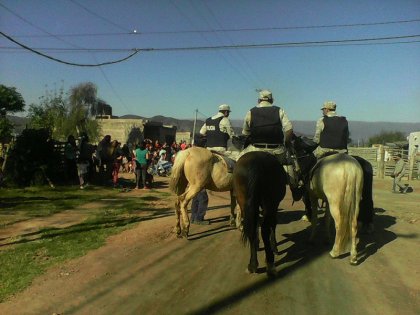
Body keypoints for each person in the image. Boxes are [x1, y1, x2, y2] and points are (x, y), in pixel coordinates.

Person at [238, 90, 297, 186]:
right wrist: (287, 143)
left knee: (238, 162)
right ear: (272, 100)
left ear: (258, 100)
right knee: (290, 163)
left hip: (255, 149)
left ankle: (236, 187)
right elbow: (289, 129)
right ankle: (294, 186)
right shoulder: (279, 110)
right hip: (276, 150)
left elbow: (245, 132)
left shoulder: (251, 111)